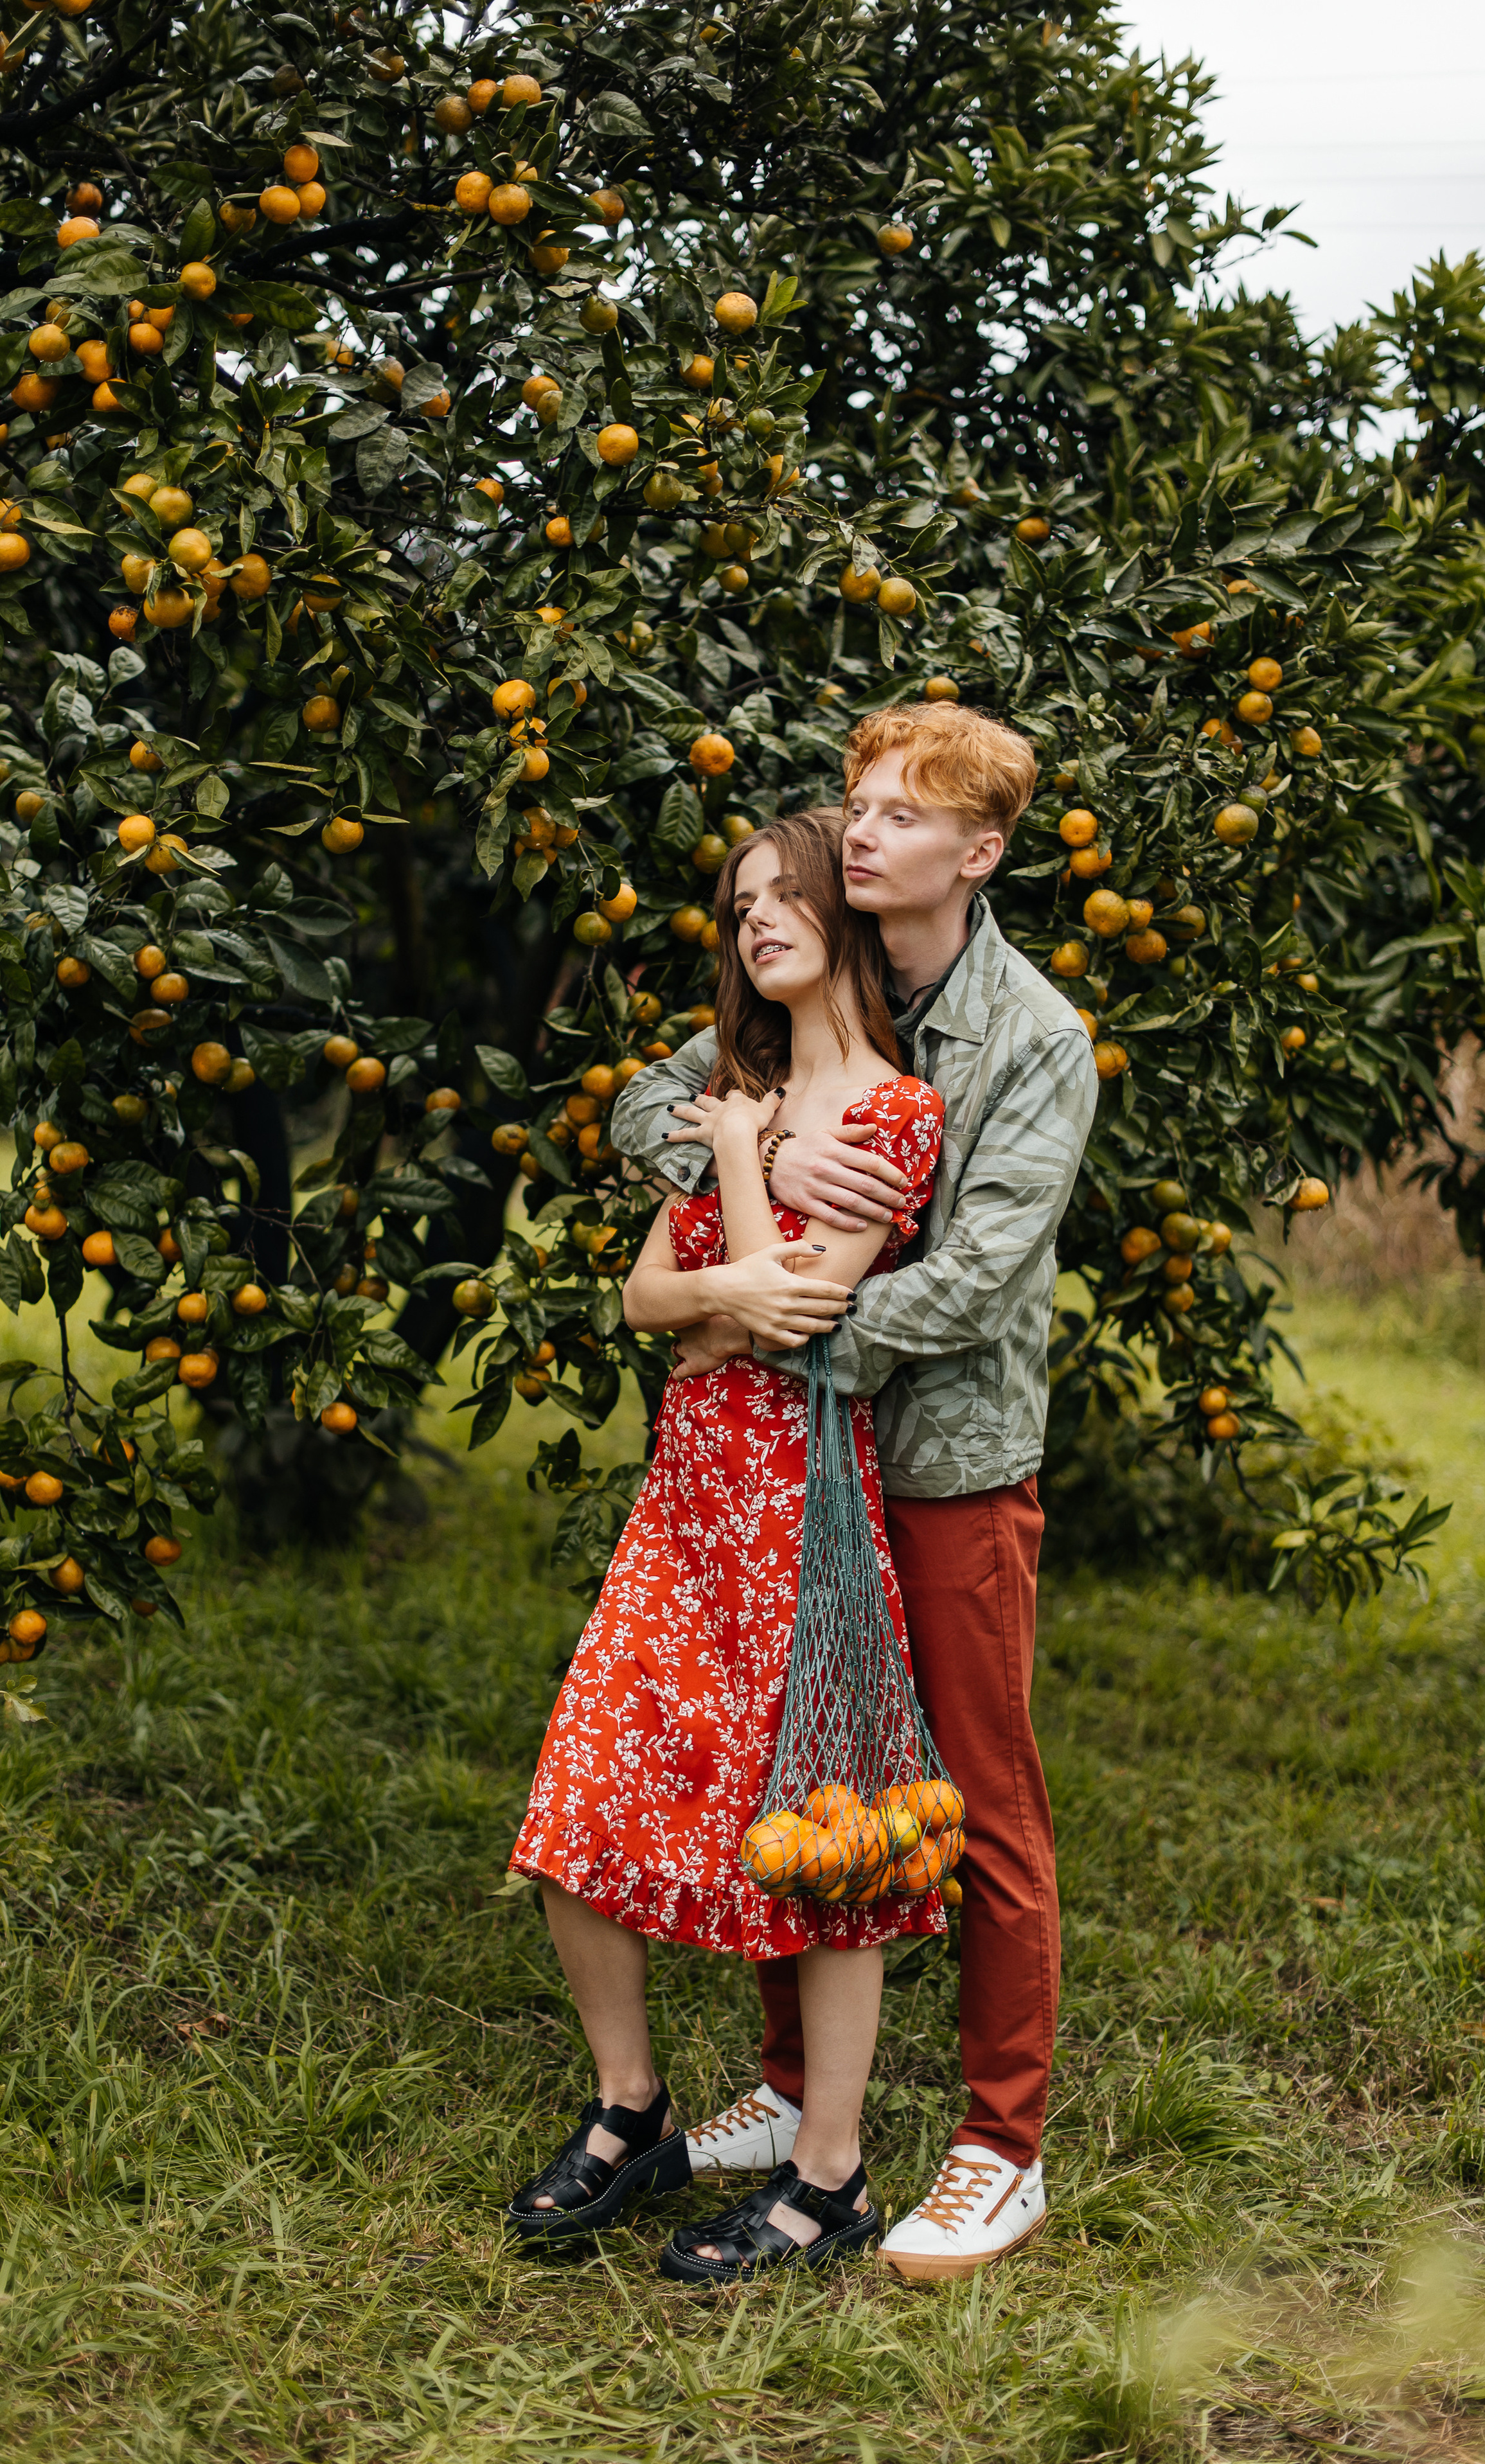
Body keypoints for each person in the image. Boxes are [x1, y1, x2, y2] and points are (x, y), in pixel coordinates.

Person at [610, 700, 1098, 2282]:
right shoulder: (819, 966)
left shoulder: (1033, 1037)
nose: (864, 828)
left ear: (982, 848)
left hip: (937, 1465)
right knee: (788, 1766)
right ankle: (791, 2091)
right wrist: (754, 1162)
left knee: (973, 1796)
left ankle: (994, 2145)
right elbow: (645, 1109)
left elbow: (965, 1289)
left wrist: (771, 1320)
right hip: (785, 1472)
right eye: (857, 802)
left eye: (899, 810)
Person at [506, 808, 948, 2285]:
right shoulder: (730, 1087)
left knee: (825, 1847)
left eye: (781, 897)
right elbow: (649, 1301)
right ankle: (629, 2107)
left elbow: (797, 1313)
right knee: (581, 1791)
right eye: (737, 901)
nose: (754, 919)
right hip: (684, 1499)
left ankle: (828, 2178)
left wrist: (743, 1182)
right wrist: (729, 1257)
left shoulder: (891, 1113)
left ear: (841, 912)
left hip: (800, 1515)